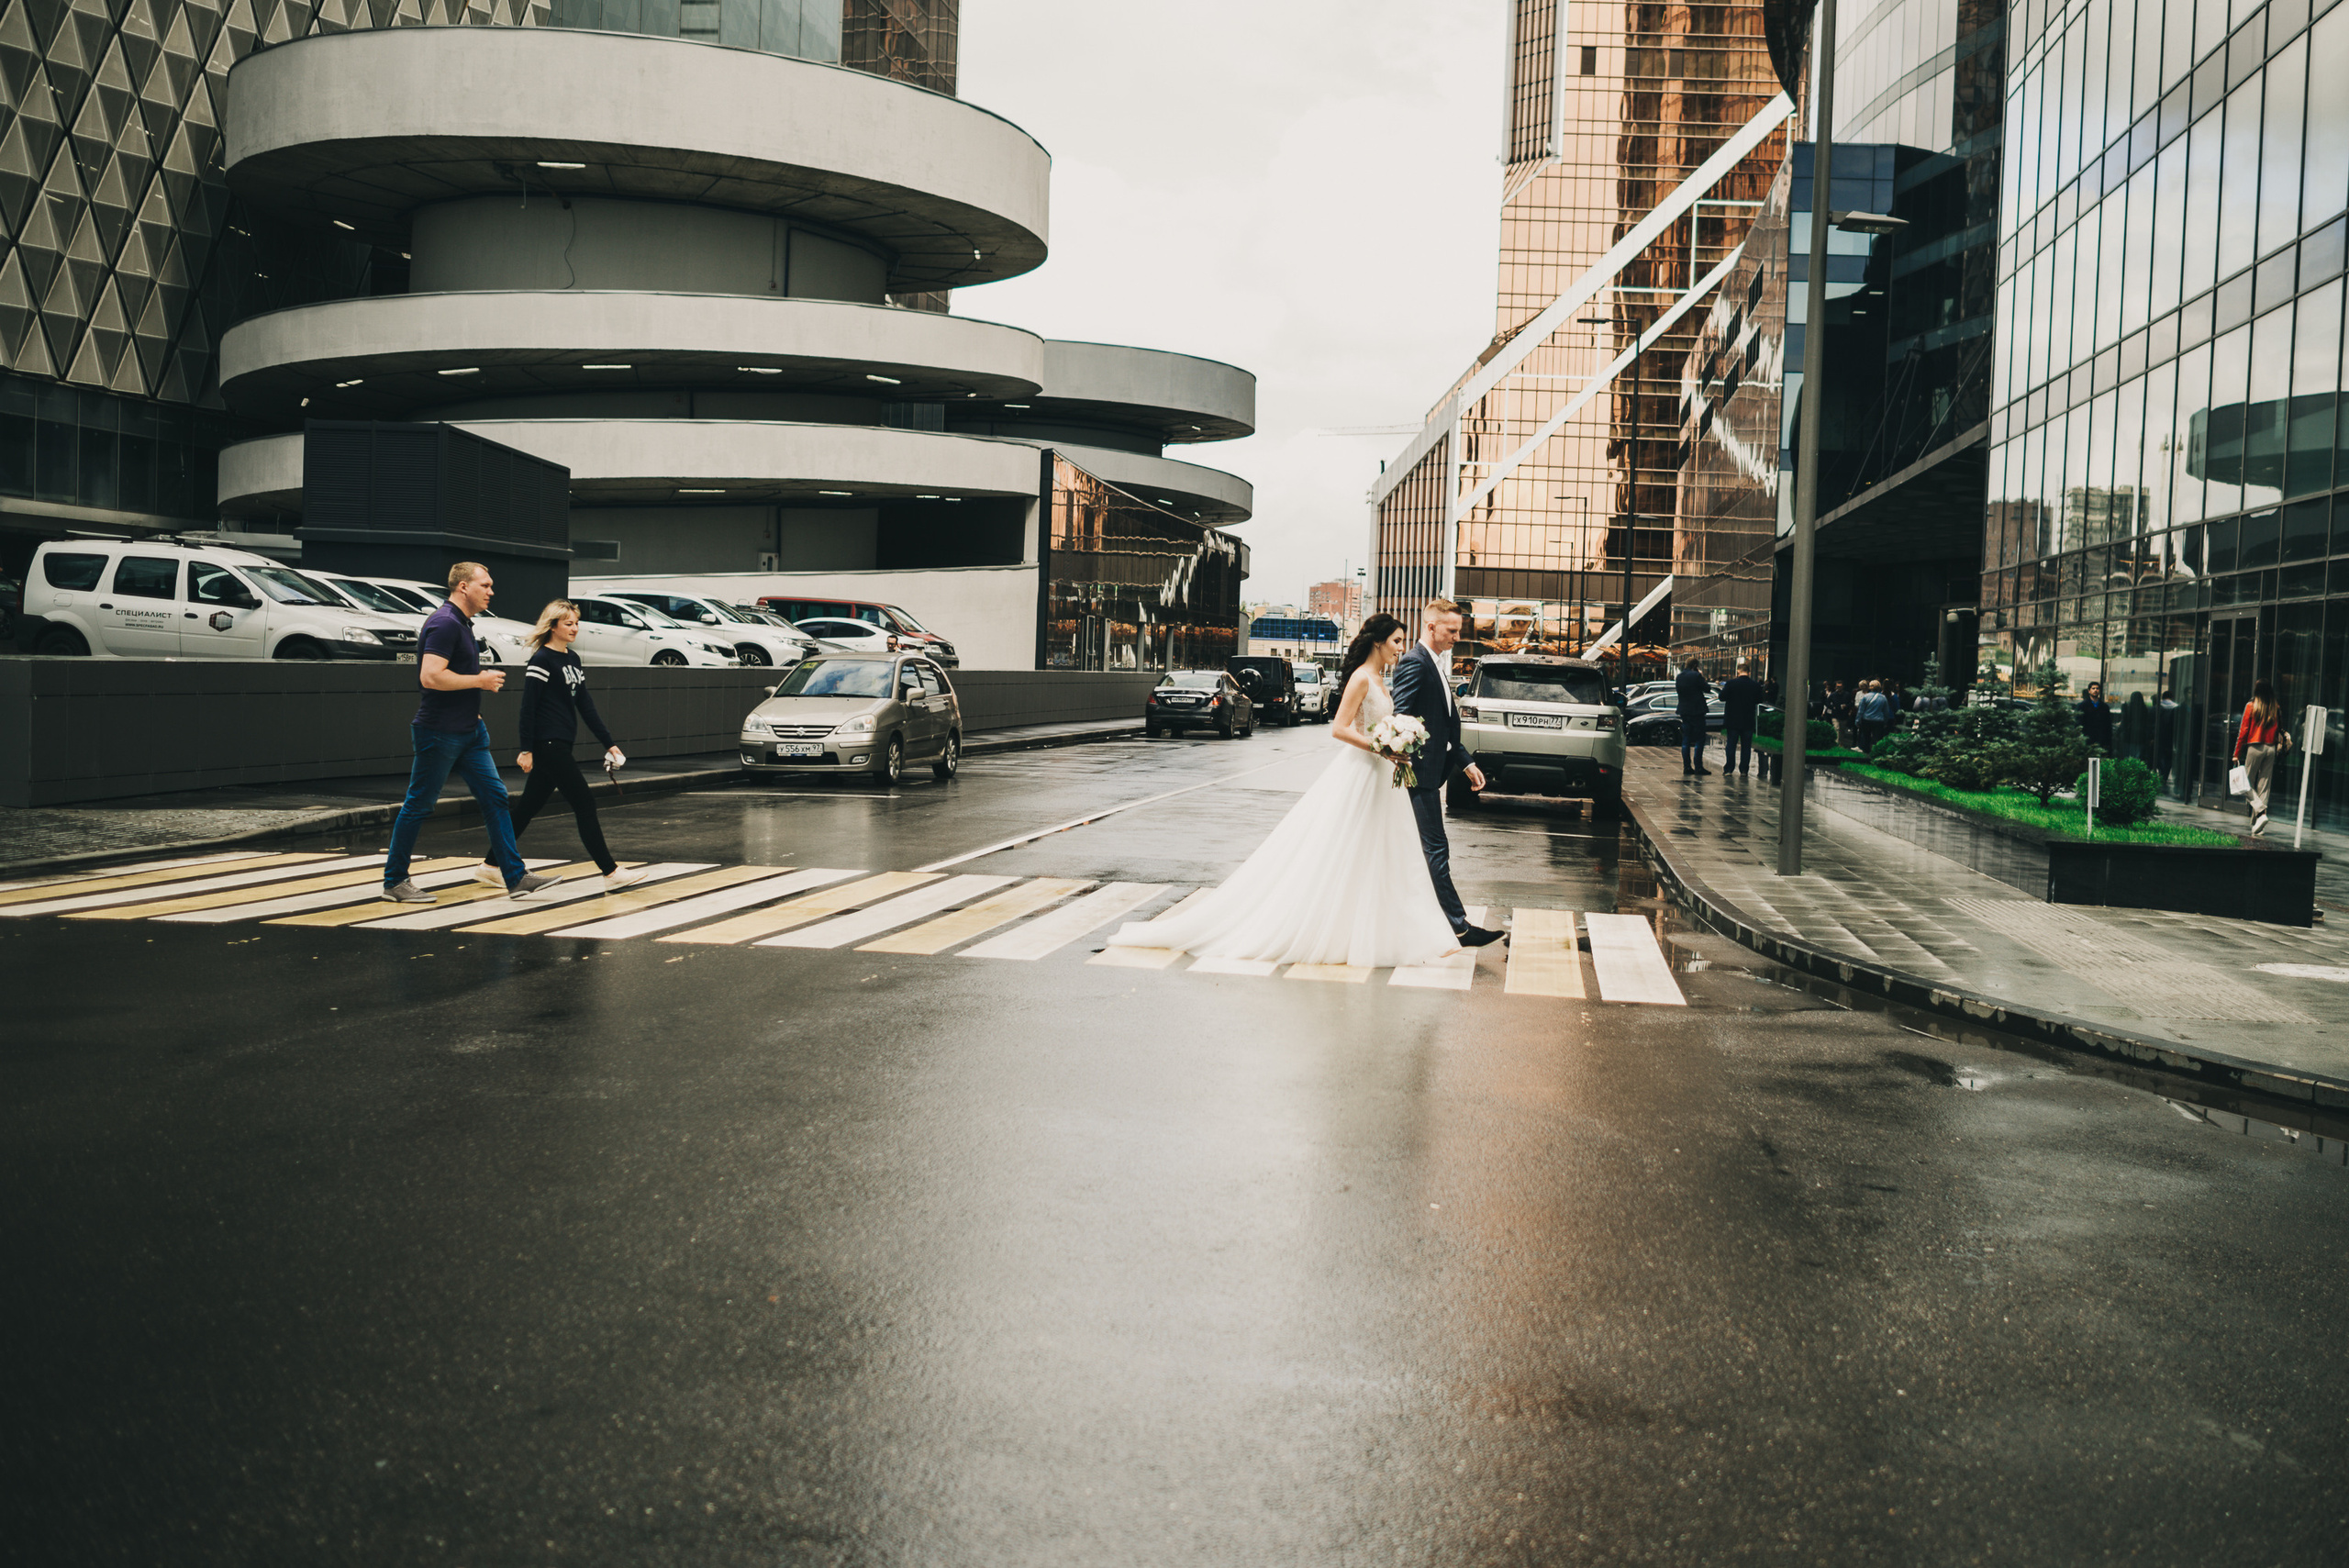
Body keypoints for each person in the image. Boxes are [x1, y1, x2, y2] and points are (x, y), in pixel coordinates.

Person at [1108, 612, 1475, 965]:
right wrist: (1381, 747)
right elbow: (1340, 728)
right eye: (1396, 641)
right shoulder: (1363, 678)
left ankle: (1404, 933)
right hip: (1363, 771)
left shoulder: (1382, 680)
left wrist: (1395, 745)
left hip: (1383, 775)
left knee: (1390, 856)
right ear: (1378, 643)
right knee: (1345, 852)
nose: (1401, 647)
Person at [381, 562, 562, 904]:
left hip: (469, 732)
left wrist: (472, 704)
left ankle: (516, 876)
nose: (491, 591)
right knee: (419, 805)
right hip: (439, 731)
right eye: (486, 585)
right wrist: (480, 680)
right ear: (463, 587)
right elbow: (430, 676)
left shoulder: (462, 624)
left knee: (495, 799)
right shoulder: (445, 623)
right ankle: (395, 882)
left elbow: (450, 674)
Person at [476, 601, 648, 895]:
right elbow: (527, 708)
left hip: (559, 744)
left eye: (576, 623)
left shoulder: (573, 660)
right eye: (568, 623)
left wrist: (610, 743)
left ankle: (491, 865)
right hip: (548, 745)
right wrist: (526, 748)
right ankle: (610, 871)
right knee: (585, 803)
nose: (574, 628)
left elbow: (585, 705)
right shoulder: (541, 660)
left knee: (528, 807)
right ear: (553, 625)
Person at [1390, 599, 1506, 946]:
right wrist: (1410, 760)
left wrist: (1466, 763)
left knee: (1422, 850)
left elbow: (1444, 724)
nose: (1457, 636)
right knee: (1436, 849)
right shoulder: (1415, 663)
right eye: (1452, 630)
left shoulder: (1435, 663)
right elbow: (1401, 719)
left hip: (1427, 774)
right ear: (1431, 628)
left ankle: (1439, 922)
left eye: (1458, 630)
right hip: (1417, 776)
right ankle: (1460, 927)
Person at [2233, 679, 2291, 836]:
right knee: (2264, 786)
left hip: (2255, 747)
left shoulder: (2251, 706)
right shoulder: (2275, 707)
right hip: (2271, 748)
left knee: (2244, 784)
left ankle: (2261, 812)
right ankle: (2258, 824)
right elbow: (2280, 729)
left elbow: (2243, 732)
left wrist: (2236, 753)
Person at [1720, 660, 1765, 776]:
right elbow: (1760, 699)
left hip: (1733, 719)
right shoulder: (1755, 685)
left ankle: (1729, 769)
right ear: (1749, 672)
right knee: (1746, 747)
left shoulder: (1731, 683)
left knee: (1731, 745)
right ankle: (1744, 770)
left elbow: (1722, 697)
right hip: (1748, 719)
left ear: (1738, 672)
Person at [1675, 659, 1713, 775]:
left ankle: (1687, 767)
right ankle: (1698, 767)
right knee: (1699, 739)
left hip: (1684, 710)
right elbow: (1707, 688)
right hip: (1697, 711)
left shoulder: (1679, 676)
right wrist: (1701, 676)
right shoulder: (1696, 676)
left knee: (1686, 739)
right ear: (1695, 665)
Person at [2076, 680, 2114, 752]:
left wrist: (2108, 741)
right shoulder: (2082, 706)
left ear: (2099, 691)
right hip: (2087, 738)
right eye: (2093, 688)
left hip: (2101, 739)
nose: (2095, 690)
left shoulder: (2105, 707)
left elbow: (2108, 725)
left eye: (2097, 688)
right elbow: (2078, 723)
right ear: (2089, 691)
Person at [2117, 690, 2154, 762]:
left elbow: (2124, 722)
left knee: (2127, 756)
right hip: (2141, 736)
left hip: (2128, 735)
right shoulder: (2145, 709)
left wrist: (2120, 732)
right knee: (2137, 757)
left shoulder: (2127, 707)